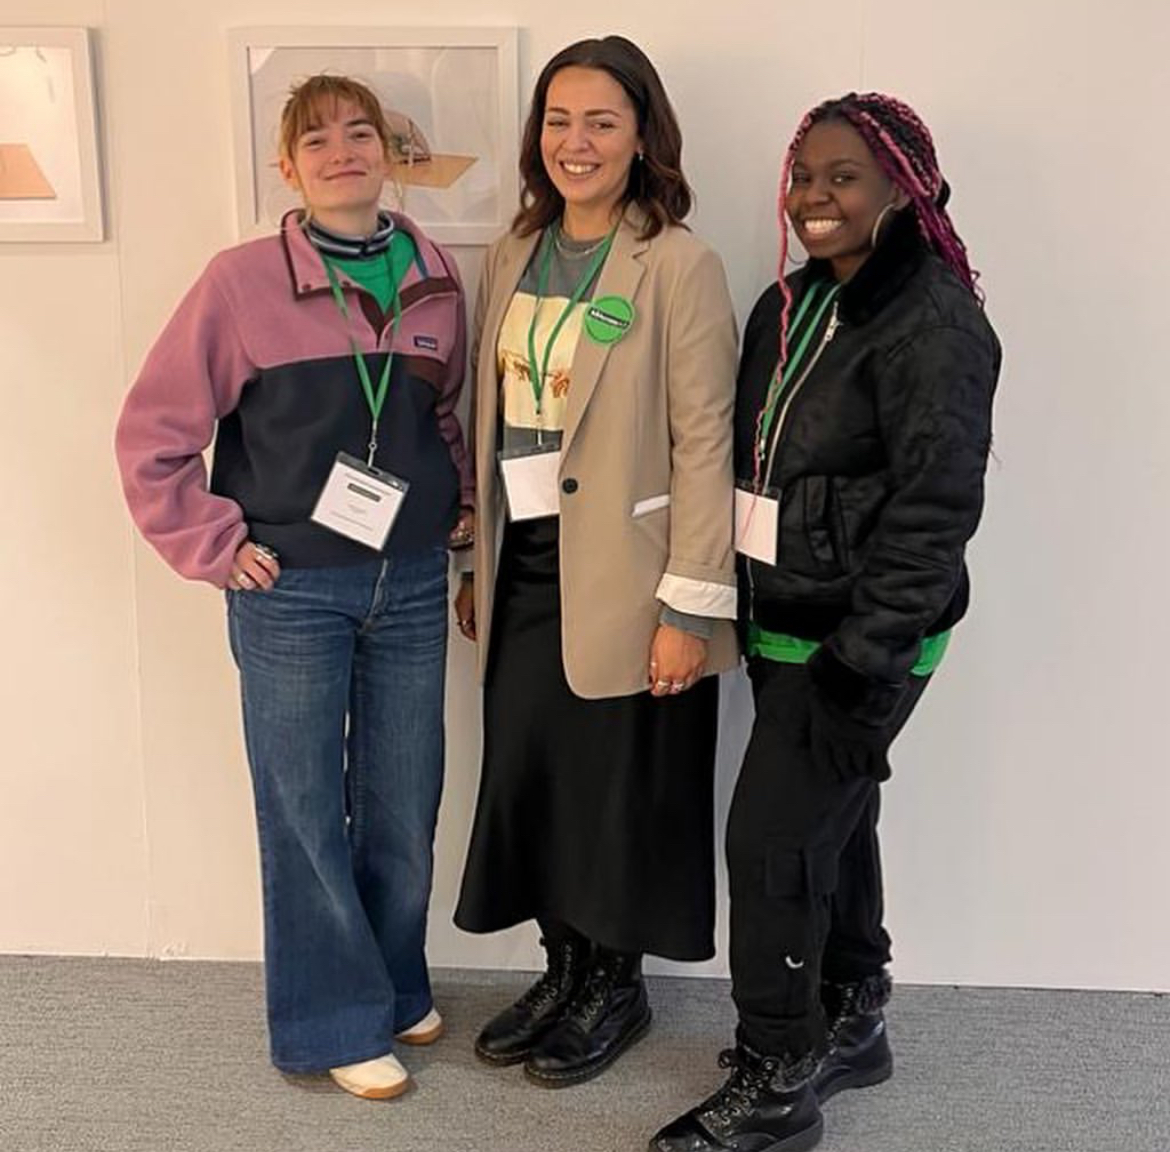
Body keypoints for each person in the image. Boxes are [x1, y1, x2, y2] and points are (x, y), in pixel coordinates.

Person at [652, 93, 1001, 1151]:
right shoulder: (790, 302)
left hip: (861, 642)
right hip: (785, 621)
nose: (814, 196)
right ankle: (854, 1014)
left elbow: (936, 511)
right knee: (827, 831)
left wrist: (865, 662)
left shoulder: (937, 322)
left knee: (771, 845)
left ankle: (778, 1076)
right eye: (804, 175)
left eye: (844, 177)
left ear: (906, 187)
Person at [115, 75, 473, 1100]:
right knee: (306, 807)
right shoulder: (238, 284)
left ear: (390, 155)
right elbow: (153, 436)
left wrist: (458, 510)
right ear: (288, 168)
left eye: (361, 132)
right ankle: (332, 1020)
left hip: (410, 580)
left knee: (404, 802)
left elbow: (443, 415)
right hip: (291, 591)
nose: (342, 151)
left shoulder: (437, 274)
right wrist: (212, 543)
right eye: (316, 140)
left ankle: (392, 987)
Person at [452, 36, 738, 1087]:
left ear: (642, 137)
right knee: (536, 778)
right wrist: (475, 561)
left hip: (633, 574)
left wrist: (690, 608)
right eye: (559, 120)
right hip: (525, 561)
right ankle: (562, 969)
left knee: (617, 788)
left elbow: (706, 441)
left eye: (602, 122)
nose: (576, 142)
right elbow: (490, 417)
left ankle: (614, 985)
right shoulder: (514, 250)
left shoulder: (678, 263)